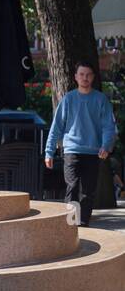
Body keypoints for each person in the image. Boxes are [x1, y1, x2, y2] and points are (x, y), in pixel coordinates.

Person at [44, 62, 117, 225]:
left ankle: (83, 223)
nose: (85, 78)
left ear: (93, 77)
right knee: (73, 186)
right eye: (81, 74)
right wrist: (49, 152)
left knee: (88, 191)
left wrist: (106, 146)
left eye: (88, 74)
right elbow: (56, 127)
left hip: (93, 152)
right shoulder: (68, 99)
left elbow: (108, 126)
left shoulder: (101, 99)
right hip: (71, 150)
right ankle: (71, 223)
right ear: (76, 77)